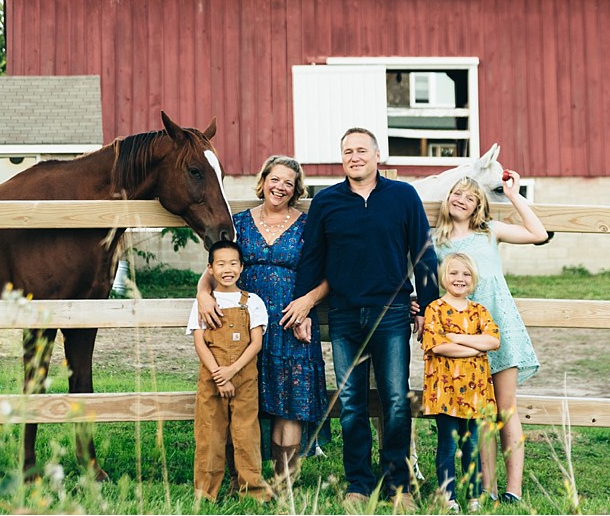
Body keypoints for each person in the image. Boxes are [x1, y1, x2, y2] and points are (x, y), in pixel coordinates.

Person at [286, 127, 439, 511]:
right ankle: (357, 482)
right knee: (352, 403)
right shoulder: (327, 201)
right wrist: (302, 306)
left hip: (392, 314)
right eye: (347, 151)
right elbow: (312, 258)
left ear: (377, 155)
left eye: (361, 150)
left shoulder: (403, 196)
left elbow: (423, 253)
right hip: (344, 314)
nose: (354, 156)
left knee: (396, 401)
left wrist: (431, 308)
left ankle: (398, 486)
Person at [195, 155, 328, 489]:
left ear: (296, 190)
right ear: (263, 180)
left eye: (288, 183)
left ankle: (284, 483)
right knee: (239, 400)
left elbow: (329, 274)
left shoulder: (307, 225)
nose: (280, 187)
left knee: (289, 404)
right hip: (240, 326)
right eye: (275, 179)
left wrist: (307, 303)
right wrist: (202, 294)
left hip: (289, 323)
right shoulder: (239, 223)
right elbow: (213, 267)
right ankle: (239, 477)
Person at [431, 174, 547, 505]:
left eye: (470, 197)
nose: (461, 199)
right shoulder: (436, 241)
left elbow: (538, 233)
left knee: (505, 410)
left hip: (501, 327)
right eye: (456, 193)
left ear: (479, 206)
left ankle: (514, 490)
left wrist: (513, 195)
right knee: (481, 412)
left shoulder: (490, 232)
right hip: (466, 336)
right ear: (447, 198)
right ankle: (488, 488)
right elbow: (423, 278)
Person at [186, 241, 273, 503]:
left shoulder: (253, 302)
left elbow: (256, 343)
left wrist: (232, 371)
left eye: (233, 263)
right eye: (221, 264)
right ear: (210, 268)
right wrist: (218, 374)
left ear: (242, 267)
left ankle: (252, 491)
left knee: (246, 434)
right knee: (209, 434)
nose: (228, 269)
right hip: (212, 380)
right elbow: (199, 342)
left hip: (245, 378)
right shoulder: (204, 304)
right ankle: (205, 493)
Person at [422, 252, 500, 513]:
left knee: (471, 444)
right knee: (447, 443)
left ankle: (474, 496)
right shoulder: (434, 309)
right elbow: (438, 346)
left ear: (473, 279)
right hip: (444, 390)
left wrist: (456, 338)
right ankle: (448, 496)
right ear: (444, 277)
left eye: (466, 274)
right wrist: (474, 347)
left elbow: (493, 341)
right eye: (454, 273)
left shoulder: (479, 311)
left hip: (475, 391)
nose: (460, 278)